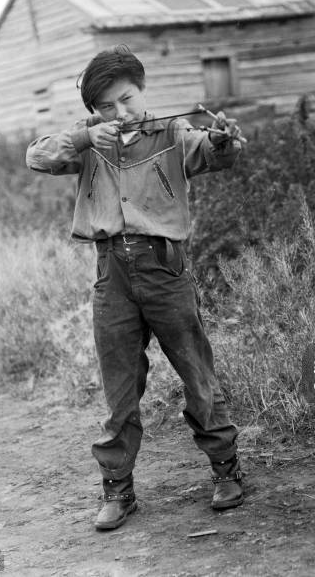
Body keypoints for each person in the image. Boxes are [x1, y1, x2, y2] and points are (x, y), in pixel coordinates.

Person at [26, 45, 244, 530]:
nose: (119, 113)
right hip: (112, 275)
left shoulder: (173, 132)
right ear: (94, 111)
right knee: (120, 389)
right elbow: (37, 157)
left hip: (165, 271)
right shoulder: (88, 143)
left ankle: (226, 472)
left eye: (126, 99)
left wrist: (224, 139)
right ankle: (118, 492)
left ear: (142, 90)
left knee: (196, 374)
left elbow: (214, 154)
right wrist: (85, 137)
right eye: (106, 106)